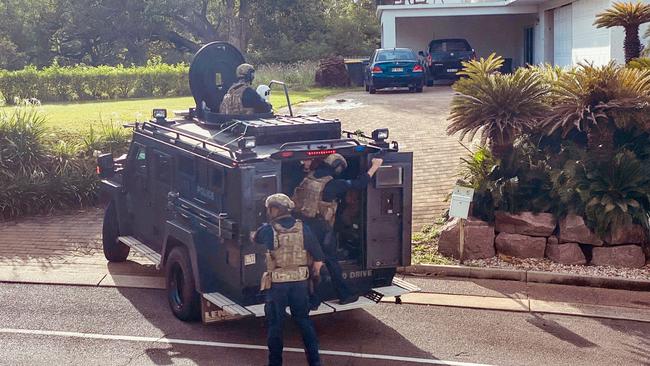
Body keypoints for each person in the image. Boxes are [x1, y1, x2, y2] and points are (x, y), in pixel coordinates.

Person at [292, 154, 384, 307]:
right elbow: (359, 184)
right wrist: (375, 166)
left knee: (312, 262)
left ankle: (312, 300)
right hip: (322, 229)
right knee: (331, 262)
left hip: (304, 226)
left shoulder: (309, 178)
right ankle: (344, 294)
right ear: (338, 168)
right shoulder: (332, 184)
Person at [254, 193, 324, 366]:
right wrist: (313, 280)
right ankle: (315, 363)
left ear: (275, 209)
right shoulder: (303, 228)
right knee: (304, 322)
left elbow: (255, 239)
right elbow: (318, 260)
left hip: (277, 285)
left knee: (275, 326)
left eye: (270, 209)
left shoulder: (268, 229)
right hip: (300, 285)